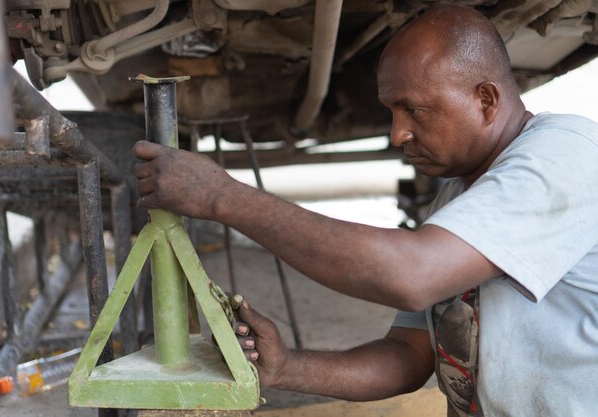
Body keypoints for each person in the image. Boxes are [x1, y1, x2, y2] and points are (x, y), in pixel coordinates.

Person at [132, 5, 598, 417]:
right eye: (392, 112)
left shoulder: (566, 154)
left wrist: (223, 197)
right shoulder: (459, 196)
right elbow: (408, 356)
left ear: (486, 99)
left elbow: (410, 276)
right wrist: (288, 365)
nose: (398, 134)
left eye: (413, 110)